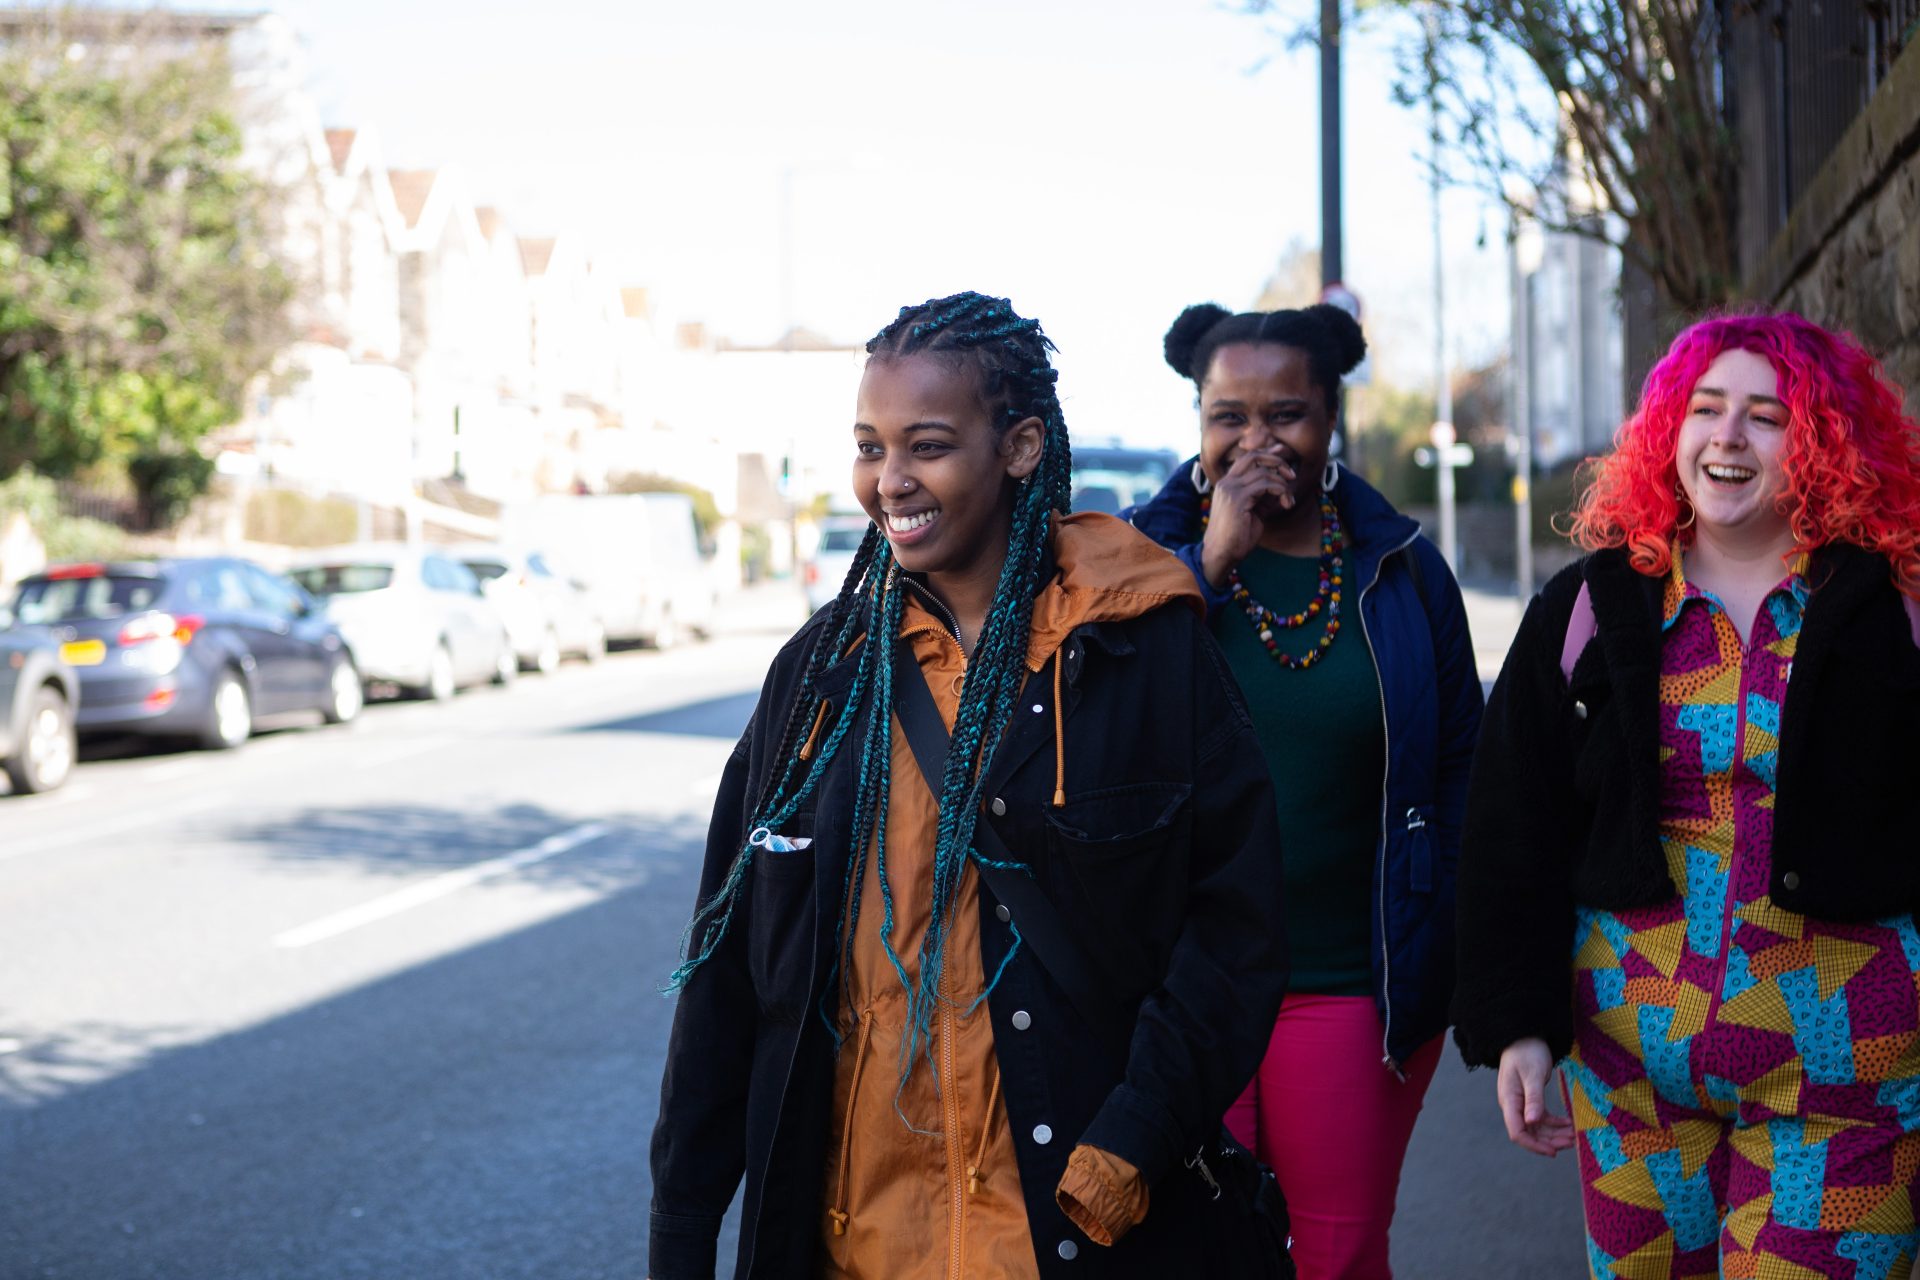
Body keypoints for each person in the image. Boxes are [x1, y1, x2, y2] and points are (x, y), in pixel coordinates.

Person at [648, 292, 1292, 1280]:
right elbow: (726, 976)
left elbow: (1235, 920)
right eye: (870, 445)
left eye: (928, 444)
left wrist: (1137, 1133)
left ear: (1022, 445)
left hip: (1069, 1234)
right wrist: (684, 1224)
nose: (889, 478)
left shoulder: (1142, 646)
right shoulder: (816, 680)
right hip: (854, 1240)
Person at [1453, 312, 1920, 1276]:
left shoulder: (1894, 609)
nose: (1728, 437)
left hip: (1845, 1077)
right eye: (1706, 409)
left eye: (1766, 416)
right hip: (1633, 1079)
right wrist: (1520, 1025)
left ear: (1825, 441)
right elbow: (1513, 824)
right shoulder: (1588, 609)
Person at [1124, 302, 1484, 1279]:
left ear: (1332, 419)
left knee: (1335, 1251)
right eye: (1226, 414)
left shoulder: (1404, 570)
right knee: (1195, 1247)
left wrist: (1441, 927)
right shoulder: (1129, 556)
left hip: (1345, 979)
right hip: (1178, 982)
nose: (1254, 439)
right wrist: (1210, 562)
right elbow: (1100, 719)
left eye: (1284, 412)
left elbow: (1461, 765)